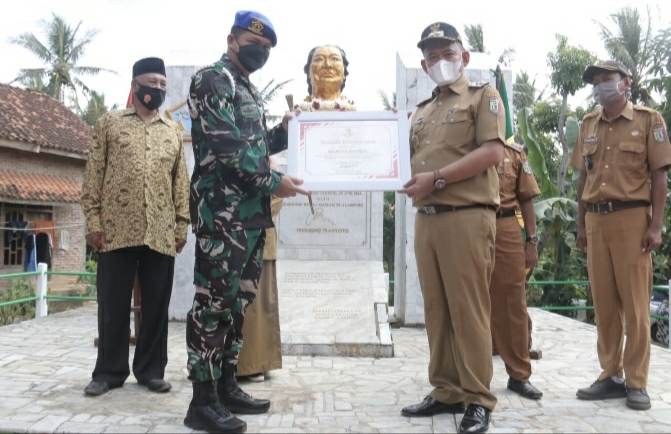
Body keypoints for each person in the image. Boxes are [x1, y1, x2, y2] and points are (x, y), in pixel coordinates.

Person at [184, 10, 309, 433]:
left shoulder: (246, 88)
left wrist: (284, 131)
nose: (261, 52)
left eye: (268, 49)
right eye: (254, 43)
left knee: (237, 306)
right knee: (213, 304)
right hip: (221, 215)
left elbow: (255, 144)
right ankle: (201, 402)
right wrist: (276, 181)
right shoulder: (211, 80)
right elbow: (227, 148)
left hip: (249, 216)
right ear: (232, 40)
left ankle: (226, 385)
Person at [398, 22, 505, 434]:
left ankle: (478, 399)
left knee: (468, 310)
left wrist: (438, 178)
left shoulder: (483, 97)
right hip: (427, 220)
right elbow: (394, 159)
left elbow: (493, 151)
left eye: (447, 52)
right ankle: (446, 390)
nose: (440, 61)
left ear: (465, 57)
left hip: (466, 216)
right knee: (437, 311)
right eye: (432, 55)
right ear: (424, 65)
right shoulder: (421, 111)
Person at [80, 57, 190, 397]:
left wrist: (182, 224)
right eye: (150, 82)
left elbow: (180, 183)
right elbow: (92, 177)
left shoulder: (172, 130)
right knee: (112, 306)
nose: (156, 88)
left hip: (160, 232)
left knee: (157, 306)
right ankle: (108, 373)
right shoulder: (110, 124)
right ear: (134, 85)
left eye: (161, 83)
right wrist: (93, 222)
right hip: (114, 231)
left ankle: (150, 371)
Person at [571, 60, 671, 411]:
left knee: (636, 306)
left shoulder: (648, 120)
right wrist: (581, 224)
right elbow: (583, 178)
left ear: (625, 83)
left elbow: (660, 177)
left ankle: (637, 381)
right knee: (604, 305)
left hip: (633, 220)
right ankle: (610, 375)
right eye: (595, 82)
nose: (600, 86)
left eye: (606, 79)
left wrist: (656, 226)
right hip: (597, 221)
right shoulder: (587, 125)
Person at [490, 142, 543, 400]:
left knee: (514, 303)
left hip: (506, 224)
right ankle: (461, 377)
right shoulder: (461, 144)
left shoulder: (514, 152)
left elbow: (527, 198)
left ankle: (519, 375)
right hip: (468, 223)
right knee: (463, 298)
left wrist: (531, 240)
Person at [237, 157, 284, 382]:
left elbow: (276, 198)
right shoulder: (244, 157)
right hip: (243, 241)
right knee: (249, 308)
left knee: (264, 304)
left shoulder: (268, 161)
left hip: (265, 242)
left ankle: (263, 361)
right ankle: (248, 365)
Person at [294, 45, 355, 111]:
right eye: (319, 59)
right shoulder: (296, 115)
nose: (327, 65)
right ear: (309, 72)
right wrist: (287, 121)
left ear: (344, 74)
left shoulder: (357, 118)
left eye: (335, 59)